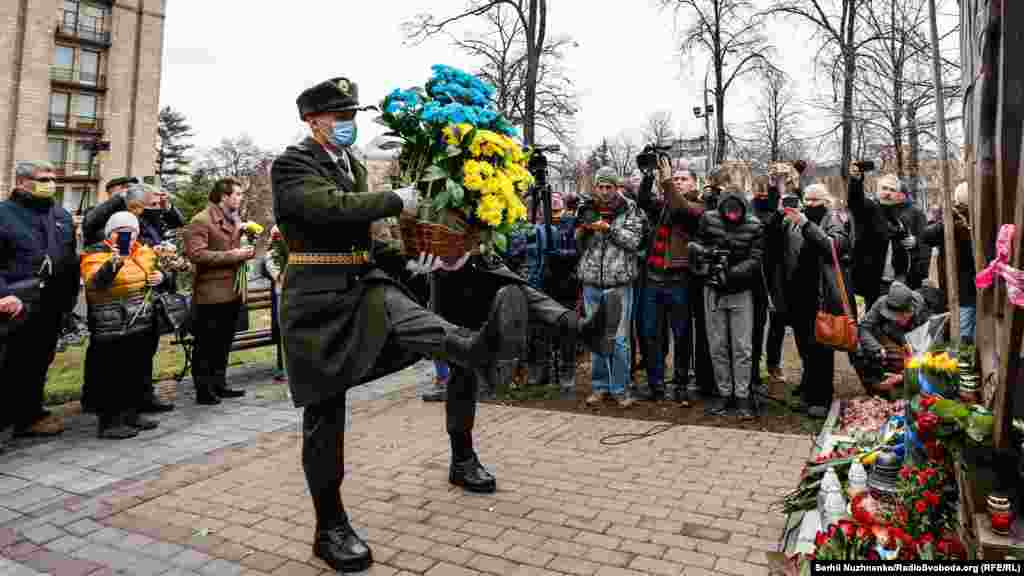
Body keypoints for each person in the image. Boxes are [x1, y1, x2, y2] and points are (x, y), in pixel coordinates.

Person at [270, 76, 534, 573]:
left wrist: (410, 260)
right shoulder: (292, 165)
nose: (349, 124)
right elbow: (328, 210)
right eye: (339, 116)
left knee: (408, 312)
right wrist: (398, 199)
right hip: (314, 298)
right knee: (325, 417)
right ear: (312, 120)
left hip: (360, 281)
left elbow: (360, 237)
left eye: (352, 115)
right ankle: (330, 526)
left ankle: (479, 345)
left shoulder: (346, 163)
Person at [0, 161, 80, 439]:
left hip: (51, 305)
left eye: (52, 178)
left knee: (37, 364)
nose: (51, 184)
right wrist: (3, 294)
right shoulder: (4, 214)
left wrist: (69, 301)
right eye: (43, 178)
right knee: (8, 364)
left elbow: (70, 259)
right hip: (14, 304)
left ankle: (29, 415)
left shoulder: (60, 215)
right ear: (22, 182)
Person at [80, 212, 165, 438]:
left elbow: (153, 275)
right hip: (111, 323)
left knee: (135, 371)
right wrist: (114, 262)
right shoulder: (95, 253)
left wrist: (159, 278)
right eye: (121, 231)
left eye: (132, 231)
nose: (128, 235)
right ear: (110, 233)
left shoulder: (143, 251)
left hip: (139, 320)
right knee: (111, 374)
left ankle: (131, 414)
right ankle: (110, 422)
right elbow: (95, 283)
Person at [781, 184, 855, 418]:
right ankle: (808, 392)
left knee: (821, 348)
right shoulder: (795, 220)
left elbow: (834, 246)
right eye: (807, 199)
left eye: (816, 200)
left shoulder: (832, 219)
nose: (811, 204)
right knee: (805, 347)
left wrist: (806, 224)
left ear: (825, 201)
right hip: (799, 293)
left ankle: (821, 398)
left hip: (821, 294)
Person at [692, 182, 764, 419]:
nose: (732, 214)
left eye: (737, 209)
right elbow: (697, 244)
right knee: (718, 345)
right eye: (728, 209)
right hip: (712, 290)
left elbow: (756, 259)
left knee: (742, 347)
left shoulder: (754, 225)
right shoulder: (708, 219)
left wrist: (732, 273)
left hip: (741, 290)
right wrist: (706, 259)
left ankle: (742, 395)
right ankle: (724, 393)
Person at [577, 166, 646, 408]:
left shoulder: (630, 208)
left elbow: (635, 241)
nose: (605, 191)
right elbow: (577, 244)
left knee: (618, 339)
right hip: (591, 281)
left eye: (609, 186)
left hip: (619, 282)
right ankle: (599, 387)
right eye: (601, 186)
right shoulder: (586, 208)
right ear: (595, 187)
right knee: (594, 336)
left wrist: (609, 229)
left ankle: (621, 388)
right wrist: (583, 230)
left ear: (617, 187)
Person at [636, 158, 703, 405]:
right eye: (675, 178)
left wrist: (665, 182)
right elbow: (643, 200)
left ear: (695, 183)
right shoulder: (664, 204)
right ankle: (655, 384)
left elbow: (681, 209)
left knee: (682, 334)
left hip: (679, 279)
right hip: (653, 277)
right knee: (651, 332)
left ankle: (682, 385)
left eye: (683, 179)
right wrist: (647, 175)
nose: (678, 181)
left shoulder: (698, 206)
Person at [182, 177, 254, 404]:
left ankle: (219, 383)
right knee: (207, 342)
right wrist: (231, 256)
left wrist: (246, 247)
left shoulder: (234, 219)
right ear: (224, 196)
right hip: (211, 292)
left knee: (224, 341)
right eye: (238, 195)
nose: (240, 199)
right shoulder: (201, 221)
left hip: (232, 289)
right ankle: (204, 389)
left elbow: (233, 248)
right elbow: (196, 254)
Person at [848, 165, 929, 310]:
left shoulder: (900, 216)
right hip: (873, 281)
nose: (887, 193)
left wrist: (914, 242)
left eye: (892, 190)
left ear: (898, 194)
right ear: (877, 190)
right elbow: (855, 200)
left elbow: (914, 242)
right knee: (874, 321)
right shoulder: (869, 208)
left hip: (897, 281)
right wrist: (856, 180)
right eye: (884, 188)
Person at [921, 182, 976, 343]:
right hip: (965, 286)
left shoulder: (963, 219)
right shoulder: (953, 219)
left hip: (967, 285)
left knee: (967, 330)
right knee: (966, 331)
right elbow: (928, 236)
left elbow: (927, 236)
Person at [262, 225, 286, 382]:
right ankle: (283, 367)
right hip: (281, 294)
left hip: (292, 294)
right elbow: (279, 277)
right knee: (283, 331)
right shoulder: (271, 255)